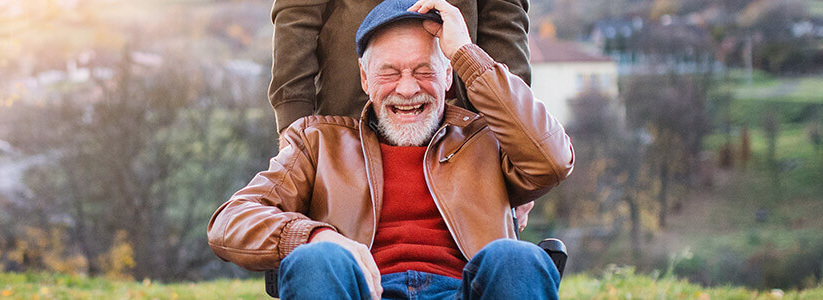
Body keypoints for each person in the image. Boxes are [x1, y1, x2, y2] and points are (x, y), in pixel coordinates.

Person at [208, 0, 572, 298]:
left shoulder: (482, 137)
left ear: (448, 77)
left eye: (424, 70)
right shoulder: (321, 144)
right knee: (317, 260)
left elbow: (553, 160)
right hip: (363, 289)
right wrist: (315, 235)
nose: (408, 88)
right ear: (365, 79)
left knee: (518, 259)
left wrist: (466, 55)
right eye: (390, 73)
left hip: (464, 288)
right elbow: (230, 221)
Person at [268, 0, 532, 130]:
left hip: (466, 129)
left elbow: (504, 18)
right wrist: (295, 135)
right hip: (352, 121)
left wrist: (513, 138)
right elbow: (297, 17)